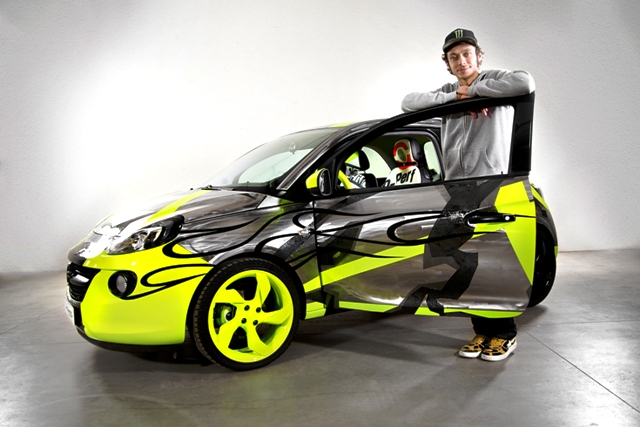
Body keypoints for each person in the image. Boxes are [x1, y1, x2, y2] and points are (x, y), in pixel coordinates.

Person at [401, 28, 535, 361]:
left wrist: (474, 92)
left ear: (479, 56)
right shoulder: (447, 92)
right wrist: (455, 98)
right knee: (468, 262)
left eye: (466, 54)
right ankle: (482, 331)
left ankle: (504, 334)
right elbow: (409, 102)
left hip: (491, 185)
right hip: (457, 189)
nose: (461, 61)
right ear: (447, 63)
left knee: (493, 262)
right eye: (454, 57)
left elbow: (525, 82)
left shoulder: (496, 81)